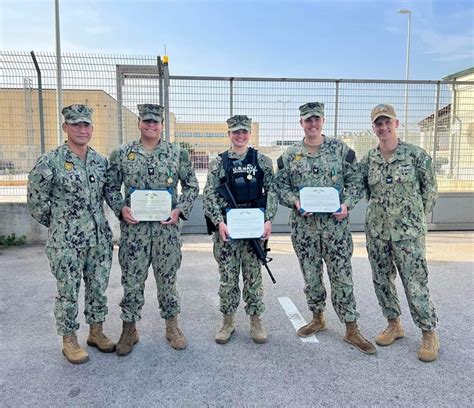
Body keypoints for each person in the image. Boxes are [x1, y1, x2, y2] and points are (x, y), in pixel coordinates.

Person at [274, 102, 376, 354]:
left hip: (335, 228)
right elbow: (280, 187)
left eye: (316, 119)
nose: (313, 124)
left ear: (323, 121)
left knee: (342, 276)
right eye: (308, 120)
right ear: (301, 123)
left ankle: (351, 327)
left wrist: (347, 204)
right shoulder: (289, 155)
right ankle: (317, 317)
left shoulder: (340, 150)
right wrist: (295, 202)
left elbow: (356, 182)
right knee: (311, 276)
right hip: (304, 228)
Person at [105, 104, 199, 355]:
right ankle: (129, 329)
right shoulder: (123, 154)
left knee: (168, 281)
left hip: (165, 233)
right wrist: (121, 209)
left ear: (161, 125)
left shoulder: (176, 153)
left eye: (155, 122)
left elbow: (191, 186)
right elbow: (111, 188)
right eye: (146, 121)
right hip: (134, 233)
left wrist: (179, 209)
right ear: (139, 123)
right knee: (132, 282)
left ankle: (172, 326)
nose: (151, 125)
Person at [27, 104, 115, 364]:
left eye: (86, 124)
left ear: (92, 129)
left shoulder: (100, 162)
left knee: (98, 288)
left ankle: (96, 332)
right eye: (75, 124)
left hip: (98, 240)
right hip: (66, 243)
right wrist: (60, 226)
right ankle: (69, 339)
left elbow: (108, 195)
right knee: (68, 290)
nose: (81, 129)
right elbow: (36, 203)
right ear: (65, 127)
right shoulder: (50, 161)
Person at [360, 103, 439, 362]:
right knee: (382, 281)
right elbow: (364, 192)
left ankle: (428, 332)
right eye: (378, 123)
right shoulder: (368, 160)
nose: (383, 127)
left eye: (387, 122)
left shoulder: (416, 156)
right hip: (378, 233)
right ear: (374, 128)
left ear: (397, 124)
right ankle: (394, 324)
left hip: (408, 235)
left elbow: (430, 192)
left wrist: (413, 220)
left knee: (415, 283)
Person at [203, 115, 278, 344]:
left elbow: (272, 191)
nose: (240, 136)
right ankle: (228, 322)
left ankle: (256, 322)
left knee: (253, 277)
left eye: (244, 132)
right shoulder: (219, 162)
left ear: (249, 134)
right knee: (227, 278)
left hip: (254, 228)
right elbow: (209, 195)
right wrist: (219, 222)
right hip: (228, 229)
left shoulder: (262, 161)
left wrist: (268, 219)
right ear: (229, 134)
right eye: (235, 132)